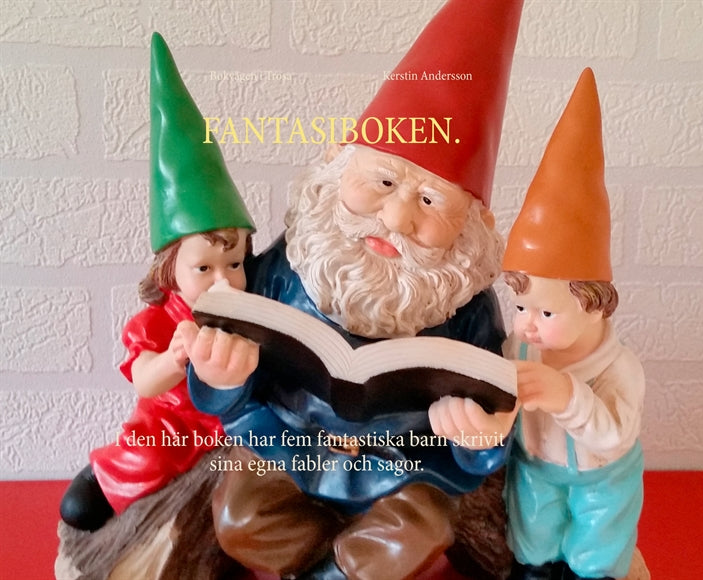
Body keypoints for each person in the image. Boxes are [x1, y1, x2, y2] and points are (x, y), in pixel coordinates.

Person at [183, 1, 523, 578]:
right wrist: (221, 377)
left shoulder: (468, 308)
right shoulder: (289, 263)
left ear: (473, 224)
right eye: (383, 181)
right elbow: (233, 385)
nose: (396, 218)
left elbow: (490, 413)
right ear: (339, 163)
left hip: (405, 468)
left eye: (430, 200)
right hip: (286, 444)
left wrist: (482, 436)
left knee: (417, 531)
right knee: (241, 518)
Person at [431, 68, 645, 580]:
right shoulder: (520, 350)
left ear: (594, 304)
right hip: (535, 472)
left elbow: (614, 435)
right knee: (533, 539)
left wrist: (566, 394)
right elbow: (503, 409)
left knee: (596, 547)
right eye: (522, 307)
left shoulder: (619, 369)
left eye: (546, 313)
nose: (526, 325)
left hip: (602, 480)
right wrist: (485, 426)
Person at [59, 32, 255, 532]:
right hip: (171, 424)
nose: (224, 280)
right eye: (204, 268)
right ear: (170, 270)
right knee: (138, 463)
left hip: (234, 425)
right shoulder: (157, 321)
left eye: (234, 263)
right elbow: (145, 379)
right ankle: (107, 478)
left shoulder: (250, 312)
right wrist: (174, 358)